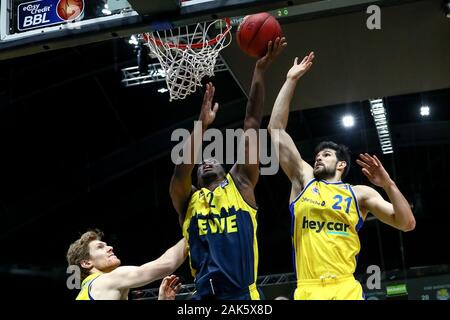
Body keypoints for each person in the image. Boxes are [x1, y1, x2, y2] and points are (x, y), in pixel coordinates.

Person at [267, 52, 416, 300]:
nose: (318, 158)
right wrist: (290, 80)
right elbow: (276, 129)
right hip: (309, 288)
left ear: (341, 165)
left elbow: (406, 223)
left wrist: (388, 184)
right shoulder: (303, 179)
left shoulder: (359, 193)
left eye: (325, 155)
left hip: (346, 288)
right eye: (317, 155)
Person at [169, 38, 287, 300]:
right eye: (201, 164)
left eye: (212, 160)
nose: (206, 162)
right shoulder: (188, 200)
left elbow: (252, 123)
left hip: (242, 297)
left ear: (226, 169)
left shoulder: (241, 184)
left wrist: (259, 70)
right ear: (196, 177)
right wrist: (201, 125)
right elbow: (180, 171)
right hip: (202, 298)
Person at [66, 229, 186, 300]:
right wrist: (193, 231)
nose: (110, 248)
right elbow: (167, 264)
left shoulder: (87, 292)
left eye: (106, 245)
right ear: (86, 263)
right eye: (100, 247)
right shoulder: (106, 281)